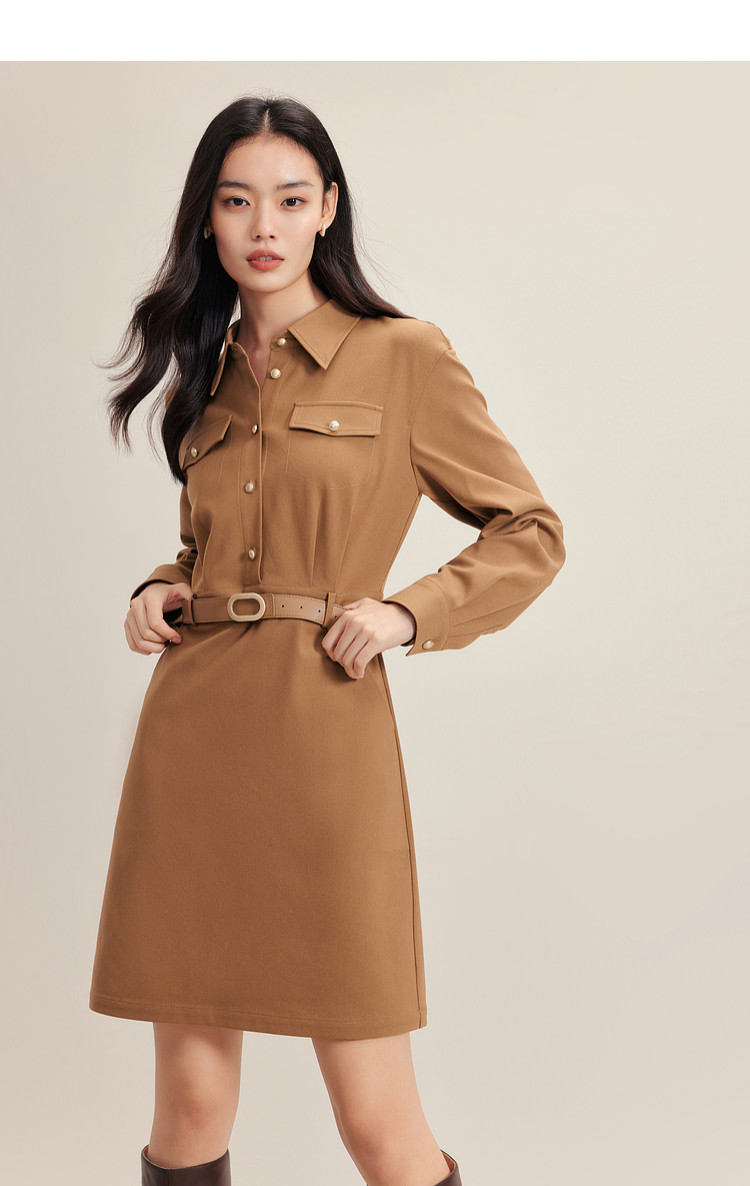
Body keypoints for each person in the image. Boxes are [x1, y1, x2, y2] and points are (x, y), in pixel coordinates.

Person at [89, 93, 565, 1186]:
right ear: (208, 218)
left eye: (290, 199)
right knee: (189, 1108)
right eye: (236, 200)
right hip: (193, 744)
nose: (264, 224)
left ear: (327, 210)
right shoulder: (205, 372)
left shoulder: (404, 356)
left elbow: (531, 531)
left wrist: (408, 611)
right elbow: (208, 546)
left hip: (324, 744)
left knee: (375, 1120)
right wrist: (162, 586)